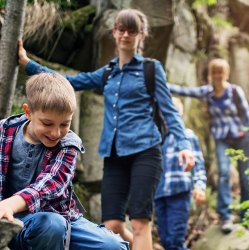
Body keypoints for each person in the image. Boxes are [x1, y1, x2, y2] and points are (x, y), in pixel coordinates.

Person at [18, 8, 195, 250]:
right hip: (113, 154)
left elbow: (169, 111)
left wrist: (184, 145)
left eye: (132, 31)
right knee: (112, 226)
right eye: (121, 29)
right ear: (114, 32)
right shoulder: (108, 72)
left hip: (145, 151)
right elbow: (69, 81)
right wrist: (29, 65)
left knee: (140, 222)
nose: (126, 35)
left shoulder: (151, 69)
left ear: (141, 35)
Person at [0, 73, 129, 250]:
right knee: (52, 226)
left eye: (64, 124)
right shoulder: (4, 131)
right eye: (47, 123)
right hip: (9, 218)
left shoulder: (69, 144)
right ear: (28, 112)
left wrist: (10, 204)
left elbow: (50, 184)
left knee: (113, 246)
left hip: (55, 216)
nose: (55, 133)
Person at [168, 58, 249, 235]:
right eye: (214, 73)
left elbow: (247, 114)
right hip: (222, 139)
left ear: (226, 74)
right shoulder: (207, 92)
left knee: (244, 177)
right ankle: (225, 217)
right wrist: (160, 84)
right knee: (224, 174)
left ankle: (248, 218)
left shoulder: (235, 91)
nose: (218, 76)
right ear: (210, 75)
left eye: (221, 72)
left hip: (242, 137)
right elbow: (185, 91)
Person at [154, 97, 207, 250]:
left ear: (181, 115)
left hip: (179, 192)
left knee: (175, 240)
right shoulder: (157, 138)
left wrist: (200, 186)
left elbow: (198, 165)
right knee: (165, 240)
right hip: (159, 195)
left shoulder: (187, 135)